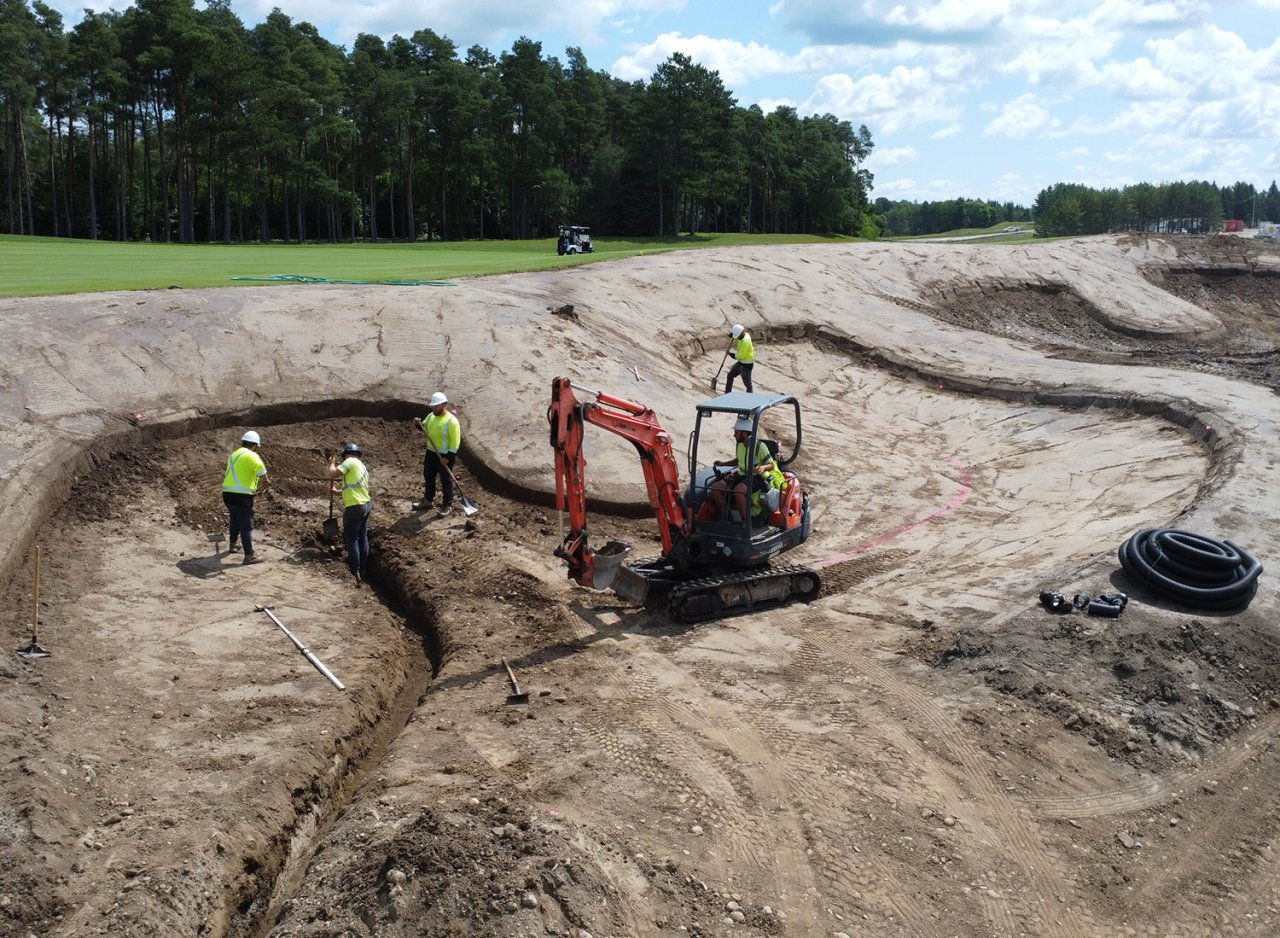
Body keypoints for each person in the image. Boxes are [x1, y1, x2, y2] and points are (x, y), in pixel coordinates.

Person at [706, 416, 784, 523]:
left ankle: (745, 521)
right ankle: (727, 517)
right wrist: (723, 464)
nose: (734, 435)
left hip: (756, 477)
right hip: (741, 475)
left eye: (737, 433)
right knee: (715, 487)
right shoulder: (740, 445)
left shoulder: (760, 447)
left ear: (745, 434)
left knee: (739, 490)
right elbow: (739, 461)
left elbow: (771, 465)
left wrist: (762, 467)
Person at [222, 430, 271, 565]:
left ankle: (232, 545)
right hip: (242, 497)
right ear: (255, 445)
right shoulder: (253, 456)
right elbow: (264, 477)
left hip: (227, 494)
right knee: (246, 525)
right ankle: (249, 555)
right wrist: (266, 481)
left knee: (235, 519)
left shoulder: (233, 455)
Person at [328, 442, 372, 585]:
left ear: (346, 455)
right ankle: (364, 567)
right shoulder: (362, 466)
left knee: (352, 538)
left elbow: (334, 473)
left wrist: (332, 463)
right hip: (366, 505)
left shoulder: (350, 462)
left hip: (354, 506)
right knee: (362, 536)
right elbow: (355, 487)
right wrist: (338, 492)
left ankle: (355, 569)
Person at [412, 391, 462, 516]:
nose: (434, 408)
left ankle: (447, 504)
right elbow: (424, 428)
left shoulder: (452, 421)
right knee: (428, 476)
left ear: (444, 405)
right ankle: (428, 500)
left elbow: (455, 443)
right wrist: (418, 425)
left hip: (444, 455)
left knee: (445, 480)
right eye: (433, 406)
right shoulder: (431, 416)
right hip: (431, 452)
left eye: (437, 406)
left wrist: (448, 458)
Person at [725, 323, 755, 393]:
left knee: (748, 384)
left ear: (740, 334)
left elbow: (739, 356)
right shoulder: (743, 335)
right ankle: (727, 393)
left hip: (746, 365)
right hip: (740, 363)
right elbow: (737, 339)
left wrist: (730, 354)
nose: (737, 337)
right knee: (730, 375)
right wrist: (732, 336)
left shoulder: (746, 342)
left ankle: (750, 398)